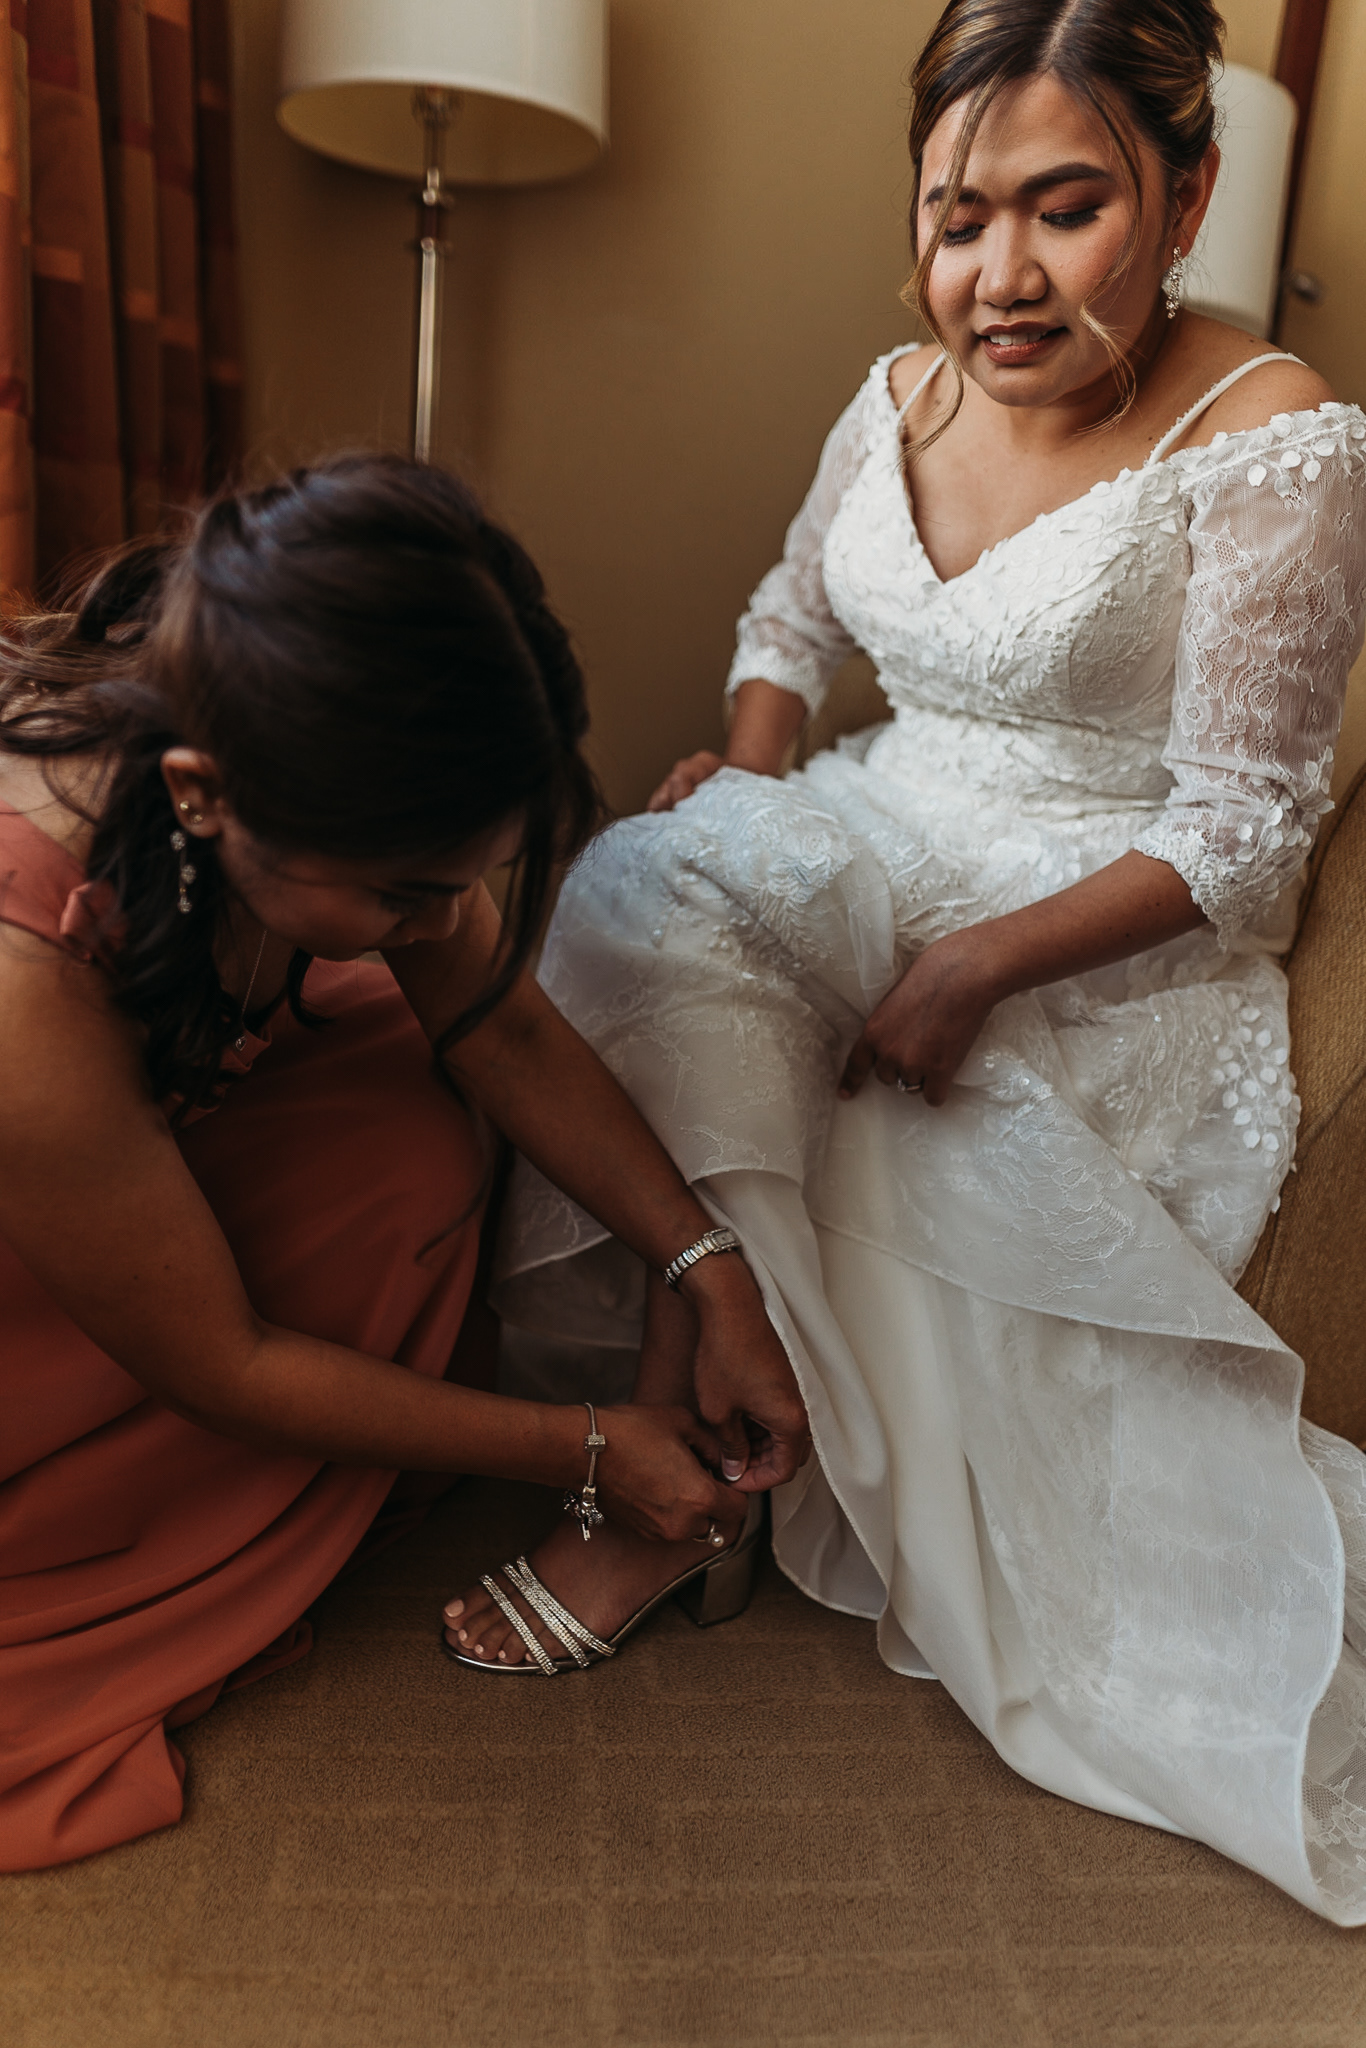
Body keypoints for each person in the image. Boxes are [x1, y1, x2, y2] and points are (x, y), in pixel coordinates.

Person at [470, 0, 1366, 1923]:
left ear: (1186, 193)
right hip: (876, 824)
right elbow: (788, 620)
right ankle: (702, 1414)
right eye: (959, 218)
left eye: (1065, 208)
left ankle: (661, 1496)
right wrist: (751, 762)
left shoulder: (1271, 433)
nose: (998, 275)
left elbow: (1240, 829)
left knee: (774, 1029)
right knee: (642, 896)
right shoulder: (898, 391)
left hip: (1092, 925)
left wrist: (971, 972)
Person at [0, 455, 809, 1871]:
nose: (440, 925)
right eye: (402, 894)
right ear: (201, 796)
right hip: (42, 1192)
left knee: (416, 1129)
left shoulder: (305, 729)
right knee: (362, 1191)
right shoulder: (21, 992)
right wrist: (585, 1446)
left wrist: (710, 1270)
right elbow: (223, 1362)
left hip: (124, 1109)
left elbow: (505, 1032)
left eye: (463, 880)